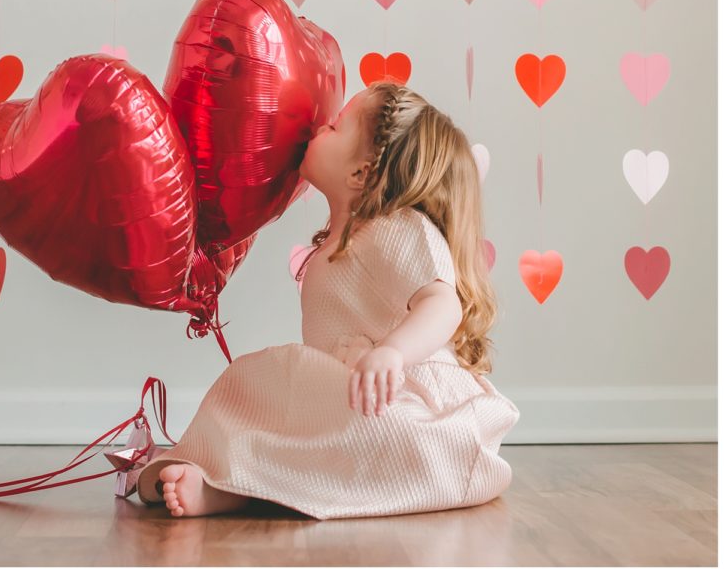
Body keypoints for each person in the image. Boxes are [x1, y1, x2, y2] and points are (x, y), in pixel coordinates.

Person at [135, 81, 518, 520]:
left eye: (335, 126)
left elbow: (442, 304)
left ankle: (238, 482)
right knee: (268, 404)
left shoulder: (393, 229)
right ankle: (231, 482)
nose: (320, 127)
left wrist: (392, 353)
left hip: (409, 413)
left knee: (300, 402)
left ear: (361, 172)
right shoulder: (332, 248)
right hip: (353, 406)